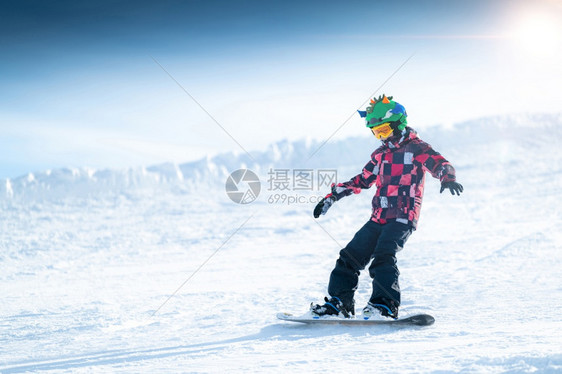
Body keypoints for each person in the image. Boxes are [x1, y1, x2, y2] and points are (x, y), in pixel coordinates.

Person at [310, 94, 463, 320]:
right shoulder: (380, 155)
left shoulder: (417, 148)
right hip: (378, 217)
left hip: (403, 216)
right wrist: (332, 197)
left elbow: (439, 163)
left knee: (384, 255)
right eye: (375, 132)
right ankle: (340, 303)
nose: (380, 137)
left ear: (398, 124)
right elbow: (362, 179)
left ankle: (384, 305)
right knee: (349, 256)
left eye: (383, 130)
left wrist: (447, 178)